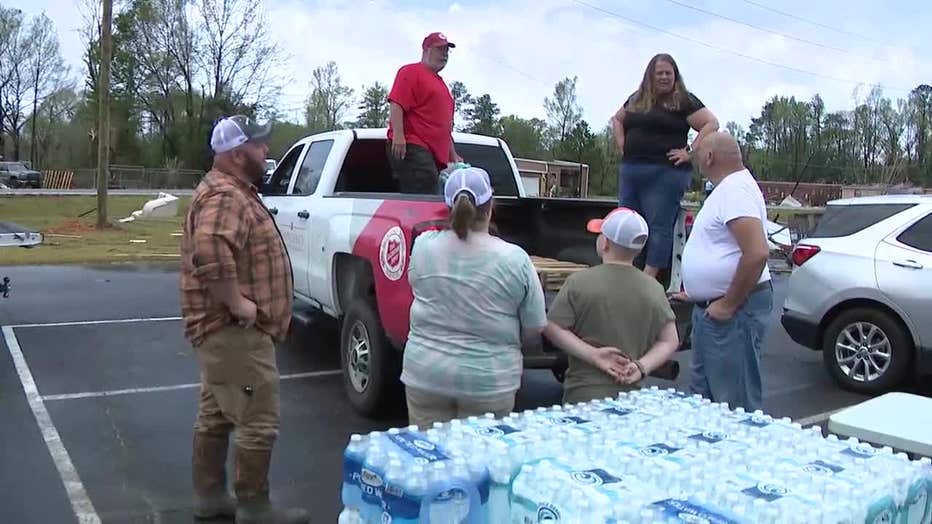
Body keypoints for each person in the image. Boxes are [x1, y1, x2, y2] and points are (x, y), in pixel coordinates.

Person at [180, 115, 309, 524]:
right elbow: (210, 250)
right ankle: (254, 507)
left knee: (216, 413)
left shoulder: (230, 190)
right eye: (259, 145)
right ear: (237, 154)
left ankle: (210, 498)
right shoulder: (227, 197)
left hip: (222, 335)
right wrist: (239, 304)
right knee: (258, 419)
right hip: (232, 332)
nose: (266, 150)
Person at [400, 166, 548, 428]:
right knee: (478, 463)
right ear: (491, 206)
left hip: (426, 374)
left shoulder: (423, 246)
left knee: (429, 460)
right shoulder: (515, 259)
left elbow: (416, 286)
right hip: (490, 381)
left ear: (448, 206)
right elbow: (535, 326)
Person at [677, 131, 773, 413]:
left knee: (733, 406)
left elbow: (757, 252)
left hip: (733, 314)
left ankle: (738, 456)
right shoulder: (730, 189)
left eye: (697, 155)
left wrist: (728, 303)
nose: (696, 162)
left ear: (709, 157)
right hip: (714, 309)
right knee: (706, 402)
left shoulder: (734, 191)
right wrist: (697, 294)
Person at [543, 207, 680, 404]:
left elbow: (552, 327)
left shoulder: (579, 281)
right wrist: (642, 366)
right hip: (629, 397)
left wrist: (592, 355)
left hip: (582, 394)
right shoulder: (654, 289)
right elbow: (669, 341)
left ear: (605, 243)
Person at [610, 53, 719, 280]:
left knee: (658, 226)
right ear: (650, 76)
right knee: (627, 221)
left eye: (668, 73)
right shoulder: (637, 99)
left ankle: (649, 278)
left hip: (665, 173)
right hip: (632, 171)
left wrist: (690, 151)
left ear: (675, 76)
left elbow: (711, 123)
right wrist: (622, 143)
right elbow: (617, 119)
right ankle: (625, 272)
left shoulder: (683, 101)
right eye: (659, 73)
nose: (664, 77)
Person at [387, 32, 463, 194]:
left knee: (431, 192)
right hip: (414, 147)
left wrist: (453, 154)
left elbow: (443, 126)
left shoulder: (441, 85)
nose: (444, 55)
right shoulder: (410, 72)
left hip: (432, 156)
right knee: (425, 194)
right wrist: (399, 136)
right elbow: (396, 103)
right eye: (440, 50)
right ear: (426, 50)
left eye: (447, 51)